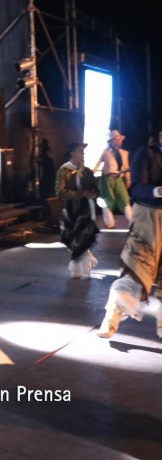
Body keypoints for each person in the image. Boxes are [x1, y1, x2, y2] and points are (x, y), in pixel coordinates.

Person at [97, 122, 162, 340]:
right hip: (148, 217)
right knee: (135, 273)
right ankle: (112, 317)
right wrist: (158, 190)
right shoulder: (145, 153)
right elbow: (137, 187)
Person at [56, 142, 99, 279]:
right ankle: (76, 267)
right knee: (73, 239)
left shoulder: (87, 171)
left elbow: (96, 189)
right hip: (70, 210)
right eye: (80, 151)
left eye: (82, 151)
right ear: (72, 153)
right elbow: (60, 192)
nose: (82, 153)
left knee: (85, 237)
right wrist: (81, 194)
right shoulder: (64, 170)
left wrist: (94, 193)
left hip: (85, 209)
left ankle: (85, 270)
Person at [92, 129, 133, 228]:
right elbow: (98, 163)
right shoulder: (106, 152)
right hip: (107, 178)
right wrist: (91, 173)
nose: (118, 141)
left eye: (119, 139)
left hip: (119, 178)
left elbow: (126, 167)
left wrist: (128, 179)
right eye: (115, 139)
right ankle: (110, 223)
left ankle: (133, 221)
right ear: (111, 141)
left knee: (124, 199)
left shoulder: (124, 153)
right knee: (107, 200)